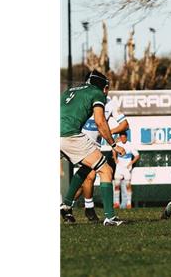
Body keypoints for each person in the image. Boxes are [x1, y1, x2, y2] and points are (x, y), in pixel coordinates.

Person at [60, 70, 126, 226]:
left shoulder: (69, 91)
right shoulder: (97, 93)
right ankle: (110, 217)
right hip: (70, 136)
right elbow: (100, 122)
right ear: (104, 86)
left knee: (85, 167)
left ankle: (66, 205)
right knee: (106, 170)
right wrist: (114, 145)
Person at [75, 94, 129, 221]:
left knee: (86, 177)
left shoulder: (110, 103)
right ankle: (91, 209)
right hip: (79, 143)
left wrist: (108, 132)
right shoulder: (84, 98)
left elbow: (124, 124)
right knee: (91, 176)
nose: (105, 90)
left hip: (95, 146)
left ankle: (67, 205)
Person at [112, 131, 140, 209]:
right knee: (116, 185)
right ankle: (116, 203)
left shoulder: (130, 145)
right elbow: (113, 150)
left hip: (127, 168)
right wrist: (115, 159)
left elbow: (137, 155)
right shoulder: (118, 144)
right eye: (121, 137)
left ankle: (129, 203)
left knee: (128, 185)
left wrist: (131, 163)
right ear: (120, 137)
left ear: (126, 137)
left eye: (124, 137)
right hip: (119, 167)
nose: (123, 138)